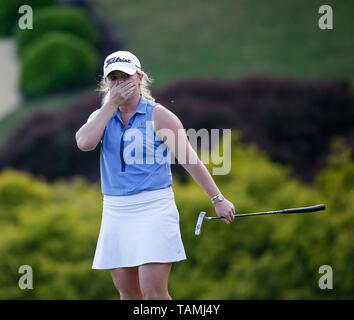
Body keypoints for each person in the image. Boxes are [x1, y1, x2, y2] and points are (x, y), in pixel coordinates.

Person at [75, 50, 235, 300]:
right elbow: (85, 142)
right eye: (113, 78)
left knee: (154, 294)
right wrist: (111, 105)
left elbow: (190, 160)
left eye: (125, 77)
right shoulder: (102, 116)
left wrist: (218, 199)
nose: (119, 83)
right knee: (128, 294)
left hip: (154, 208)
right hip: (116, 211)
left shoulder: (159, 115)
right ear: (106, 82)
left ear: (139, 78)